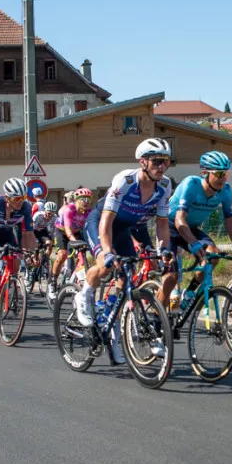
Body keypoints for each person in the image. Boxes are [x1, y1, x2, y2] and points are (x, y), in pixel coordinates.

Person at [75, 139, 176, 336]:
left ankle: (111, 309)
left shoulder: (165, 185)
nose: (162, 166)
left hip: (124, 229)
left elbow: (162, 223)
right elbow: (106, 221)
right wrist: (106, 250)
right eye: (157, 161)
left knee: (127, 275)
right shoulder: (126, 181)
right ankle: (84, 295)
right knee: (105, 264)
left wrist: (164, 249)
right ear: (143, 162)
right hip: (101, 223)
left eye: (166, 161)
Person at [164, 150, 232, 314]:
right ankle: (157, 318)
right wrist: (194, 244)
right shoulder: (191, 184)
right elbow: (179, 219)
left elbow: (231, 223)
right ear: (205, 173)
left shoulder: (225, 191)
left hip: (191, 229)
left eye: (226, 173)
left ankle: (190, 292)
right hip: (171, 227)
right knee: (170, 278)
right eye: (219, 173)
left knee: (213, 256)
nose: (223, 178)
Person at [0, 178, 37, 313]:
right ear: (7, 198)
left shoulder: (26, 207)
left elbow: (28, 235)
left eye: (23, 197)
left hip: (7, 232)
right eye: (16, 199)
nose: (20, 201)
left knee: (15, 261)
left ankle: (4, 290)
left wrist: (32, 253)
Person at [49, 188, 93, 299]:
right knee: (62, 255)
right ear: (77, 200)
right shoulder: (69, 209)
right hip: (62, 231)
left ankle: (79, 279)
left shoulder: (89, 212)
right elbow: (68, 229)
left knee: (83, 255)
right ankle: (53, 282)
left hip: (77, 232)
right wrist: (74, 241)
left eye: (89, 199)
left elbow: (91, 228)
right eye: (83, 199)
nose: (86, 202)